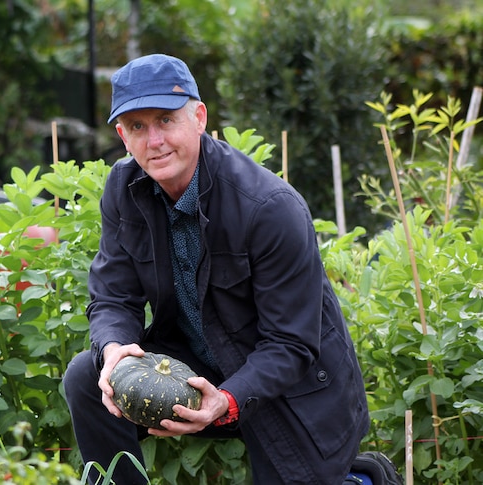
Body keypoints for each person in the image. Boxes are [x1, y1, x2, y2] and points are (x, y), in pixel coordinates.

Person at [62, 53, 369, 484]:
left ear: (199, 117)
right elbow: (113, 295)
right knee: (86, 376)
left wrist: (226, 400)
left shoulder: (269, 208)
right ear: (122, 135)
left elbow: (292, 344)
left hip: (292, 387)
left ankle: (361, 479)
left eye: (166, 120)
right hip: (195, 368)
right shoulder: (123, 188)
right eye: (137, 127)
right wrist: (114, 349)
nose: (154, 141)